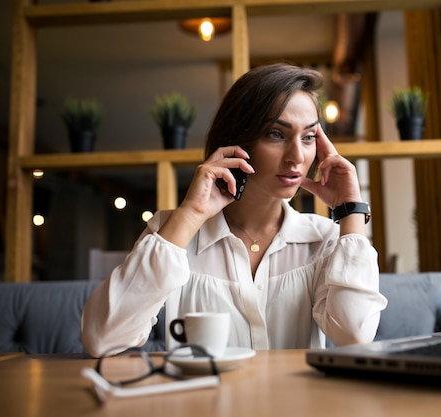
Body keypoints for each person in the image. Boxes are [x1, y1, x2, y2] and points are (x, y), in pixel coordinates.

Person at [81, 63, 388, 357]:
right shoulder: (173, 233)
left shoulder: (325, 240)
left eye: (308, 137)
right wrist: (190, 215)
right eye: (277, 134)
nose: (297, 156)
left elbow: (353, 336)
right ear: (237, 142)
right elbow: (101, 338)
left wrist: (351, 211)